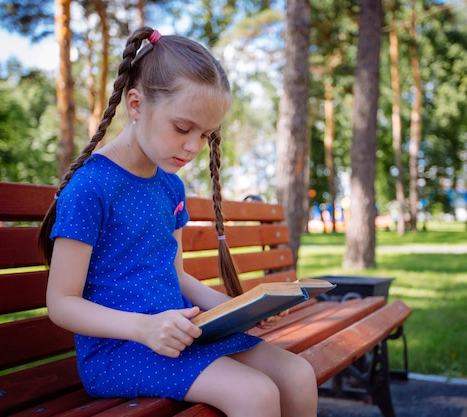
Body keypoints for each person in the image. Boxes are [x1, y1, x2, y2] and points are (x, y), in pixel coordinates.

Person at [38, 27, 318, 417]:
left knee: (298, 375)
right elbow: (61, 303)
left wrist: (242, 308)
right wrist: (143, 329)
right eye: (183, 128)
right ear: (135, 105)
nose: (193, 146)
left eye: (205, 134)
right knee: (254, 394)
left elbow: (177, 276)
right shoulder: (90, 188)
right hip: (121, 349)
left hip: (183, 335)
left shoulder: (170, 186)